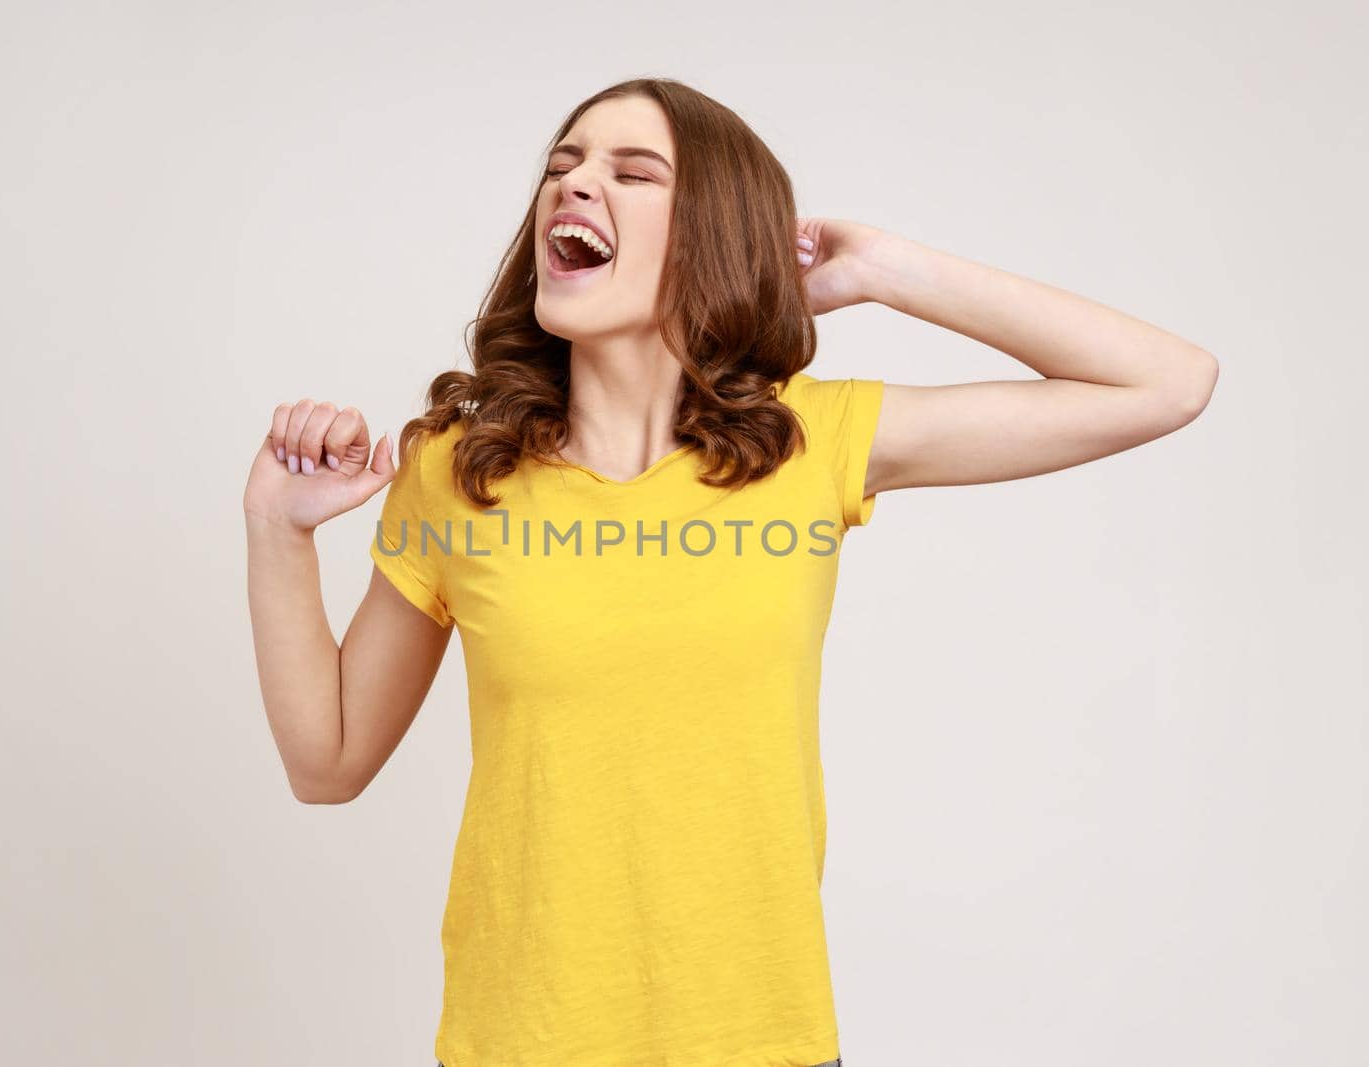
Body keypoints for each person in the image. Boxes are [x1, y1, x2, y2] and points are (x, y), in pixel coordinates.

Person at [243, 77, 1217, 1067]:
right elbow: (327, 763)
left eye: (631, 172)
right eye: (561, 166)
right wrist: (277, 530)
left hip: (763, 1041)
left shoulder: (808, 442)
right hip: (521, 1042)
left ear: (711, 235)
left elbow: (1167, 382)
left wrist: (883, 265)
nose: (573, 186)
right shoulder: (456, 471)